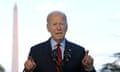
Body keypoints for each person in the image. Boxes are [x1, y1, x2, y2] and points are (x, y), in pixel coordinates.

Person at [23, 11, 96, 72]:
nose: (58, 28)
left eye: (62, 24)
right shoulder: (36, 51)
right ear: (48, 28)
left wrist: (89, 68)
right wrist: (27, 70)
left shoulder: (79, 51)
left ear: (66, 27)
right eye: (54, 24)